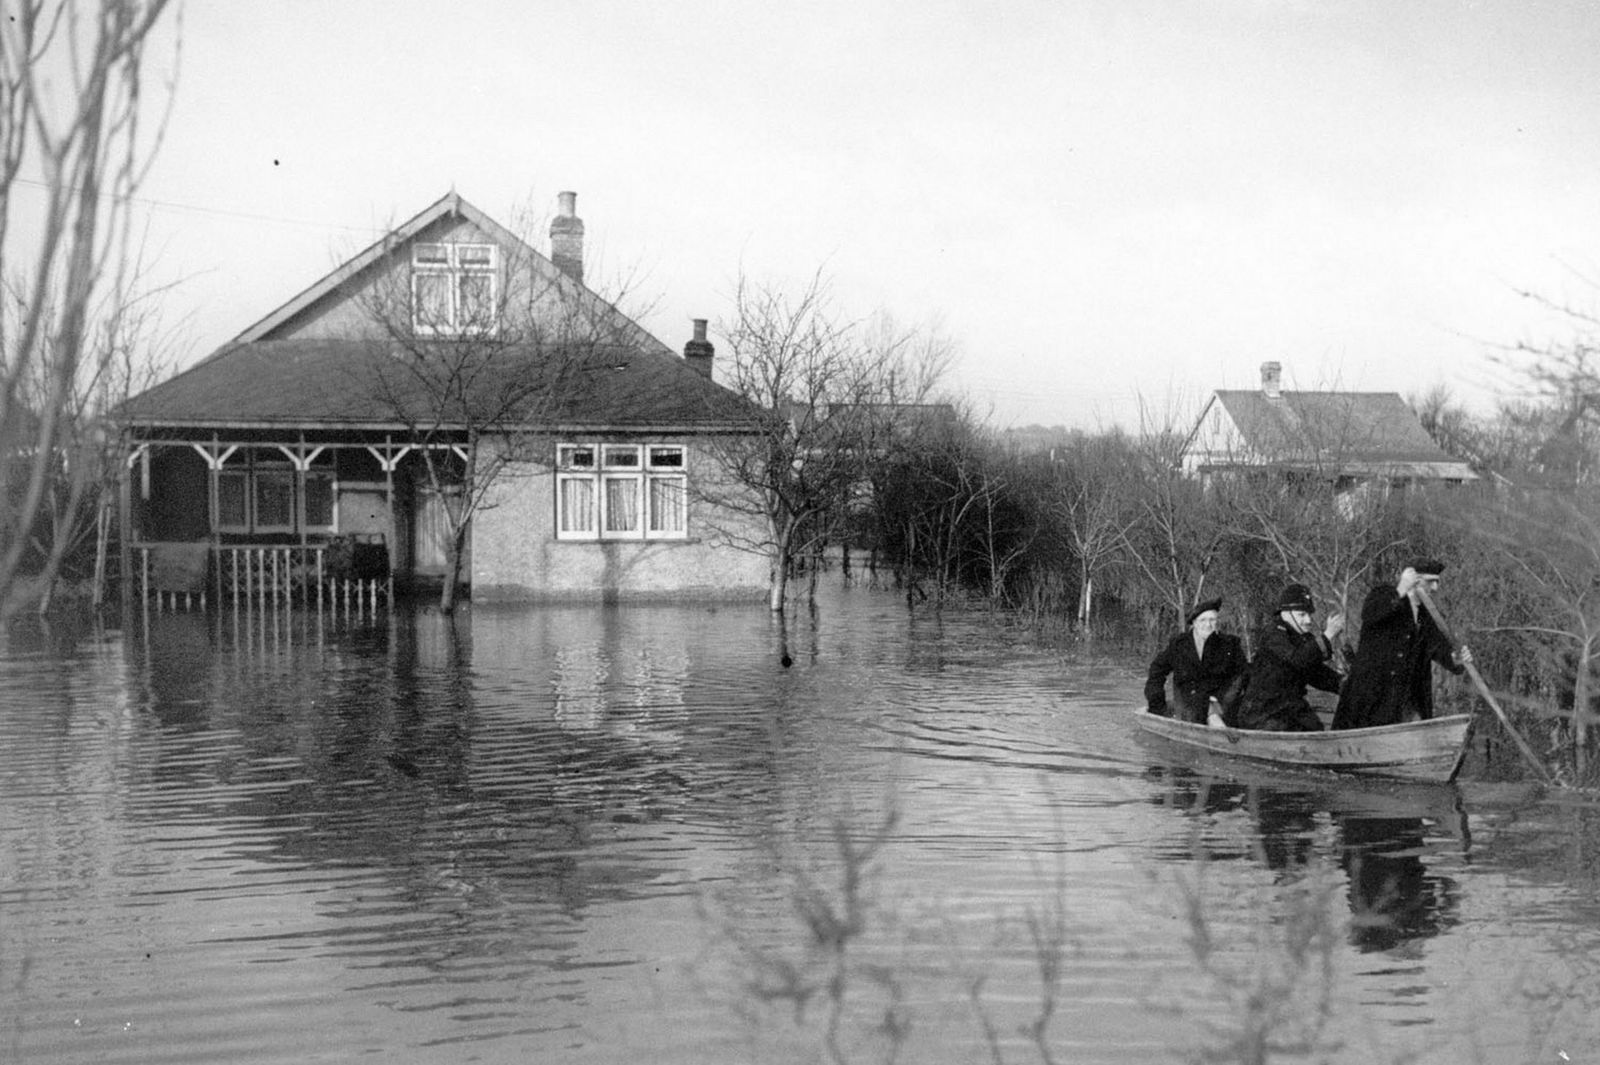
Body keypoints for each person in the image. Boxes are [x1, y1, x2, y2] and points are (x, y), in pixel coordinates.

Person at [1332, 558, 1471, 730]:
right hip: (1372, 699)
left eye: (1437, 582)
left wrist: (1457, 658)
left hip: (1408, 702)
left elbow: (1440, 650)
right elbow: (1370, 614)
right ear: (1413, 580)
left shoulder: (1427, 616)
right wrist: (1400, 590)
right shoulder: (1383, 596)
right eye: (1430, 582)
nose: (1435, 588)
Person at [1235, 583, 1345, 732]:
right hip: (1262, 712)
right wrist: (1328, 635)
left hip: (1290, 708)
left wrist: (1344, 684)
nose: (1308, 620)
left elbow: (1316, 673)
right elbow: (1297, 660)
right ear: (1285, 614)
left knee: (1315, 730)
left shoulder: (1303, 639)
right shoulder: (1274, 634)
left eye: (1309, 614)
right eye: (1302, 615)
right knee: (1294, 734)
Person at [1144, 597, 1247, 727]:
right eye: (1203, 620)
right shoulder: (1179, 645)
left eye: (1212, 620)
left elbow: (1242, 675)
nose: (1208, 625)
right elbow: (1157, 671)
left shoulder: (1230, 645)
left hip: (1221, 702)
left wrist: (1221, 700)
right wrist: (1156, 702)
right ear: (1194, 623)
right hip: (1188, 704)